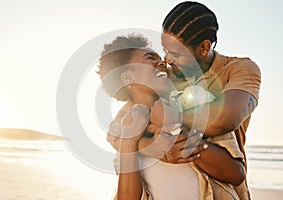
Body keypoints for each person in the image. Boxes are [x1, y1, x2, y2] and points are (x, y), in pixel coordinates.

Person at [98, 34, 246, 200]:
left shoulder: (200, 102)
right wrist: (129, 143)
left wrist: (175, 126)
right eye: (150, 58)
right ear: (127, 77)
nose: (163, 63)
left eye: (160, 58)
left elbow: (236, 174)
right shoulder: (124, 128)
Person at [142, 1, 261, 199]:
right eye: (165, 50)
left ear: (204, 47)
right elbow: (126, 130)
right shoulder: (166, 78)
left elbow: (225, 119)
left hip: (223, 186)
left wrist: (169, 118)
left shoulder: (238, 69)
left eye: (176, 53)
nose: (167, 60)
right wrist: (157, 149)